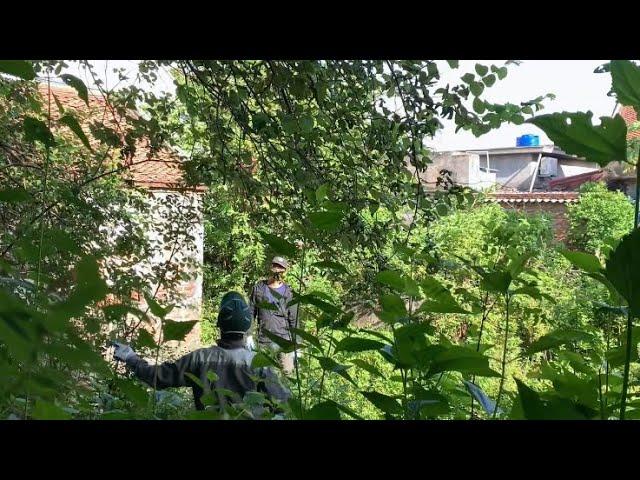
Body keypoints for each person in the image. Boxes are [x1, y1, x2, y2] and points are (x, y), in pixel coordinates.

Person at [111, 291, 290, 416]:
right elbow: (284, 405)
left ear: (219, 326)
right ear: (247, 327)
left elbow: (158, 377)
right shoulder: (259, 364)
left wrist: (131, 357)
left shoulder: (200, 358)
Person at [249, 256, 299, 375]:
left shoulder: (289, 293)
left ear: (285, 271)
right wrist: (248, 335)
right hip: (263, 340)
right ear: (270, 267)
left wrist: (296, 346)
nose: (277, 270)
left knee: (287, 375)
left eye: (280, 267)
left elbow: (294, 320)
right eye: (275, 266)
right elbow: (251, 313)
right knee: (262, 376)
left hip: (284, 342)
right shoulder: (259, 289)